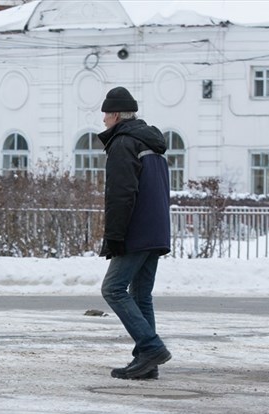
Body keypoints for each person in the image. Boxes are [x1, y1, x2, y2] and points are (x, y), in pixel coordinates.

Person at [97, 86, 172, 380]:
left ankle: (152, 347)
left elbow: (121, 194)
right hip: (156, 229)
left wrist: (114, 237)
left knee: (112, 289)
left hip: (136, 231)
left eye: (105, 114)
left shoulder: (123, 143)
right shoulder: (149, 141)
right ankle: (147, 362)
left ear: (115, 114)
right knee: (141, 295)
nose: (103, 120)